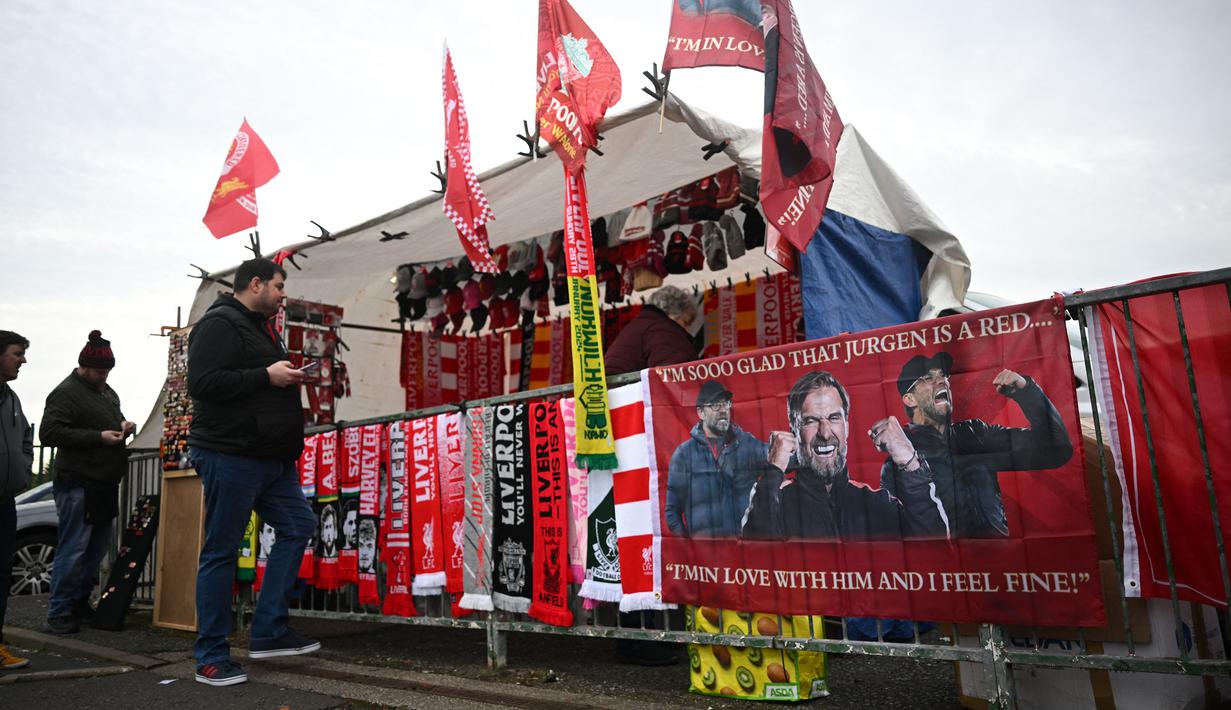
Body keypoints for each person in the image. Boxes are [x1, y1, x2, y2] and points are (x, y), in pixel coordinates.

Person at [187, 258, 318, 687]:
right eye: (278, 286)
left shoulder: (262, 328)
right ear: (256, 284)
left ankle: (268, 631)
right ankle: (210, 656)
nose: (283, 294)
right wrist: (266, 375)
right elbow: (203, 384)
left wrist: (281, 376)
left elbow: (254, 381)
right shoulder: (219, 324)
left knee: (299, 525)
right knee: (222, 551)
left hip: (269, 458)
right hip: (231, 454)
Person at [880, 353, 1074, 538]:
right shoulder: (900, 459)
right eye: (927, 378)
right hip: (945, 569)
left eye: (944, 375)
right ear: (910, 399)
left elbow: (1055, 449)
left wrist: (1027, 392)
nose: (942, 381)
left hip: (999, 564)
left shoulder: (975, 433)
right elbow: (899, 534)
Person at [742, 371, 948, 540]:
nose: (824, 433)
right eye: (811, 421)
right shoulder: (773, 503)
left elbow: (935, 553)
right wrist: (772, 472)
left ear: (847, 428)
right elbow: (755, 559)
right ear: (794, 431)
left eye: (834, 418)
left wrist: (910, 462)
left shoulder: (876, 504)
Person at [39, 331, 135, 634]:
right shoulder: (65, 393)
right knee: (74, 548)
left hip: (103, 483)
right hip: (78, 481)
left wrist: (122, 427)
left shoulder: (107, 391)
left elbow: (110, 420)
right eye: (98, 371)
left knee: (94, 551)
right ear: (83, 366)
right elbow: (49, 433)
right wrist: (98, 437)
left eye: (107, 371)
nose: (103, 375)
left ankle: (79, 603)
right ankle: (59, 611)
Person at [664, 381, 765, 537]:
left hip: (746, 553)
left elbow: (779, 458)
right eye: (715, 405)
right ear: (701, 413)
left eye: (725, 403)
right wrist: (689, 550)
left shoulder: (748, 443)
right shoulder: (684, 454)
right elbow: (672, 511)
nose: (723, 410)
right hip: (705, 556)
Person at [0, 331, 32, 669]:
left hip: (5, 501)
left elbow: (26, 438)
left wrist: (22, 468)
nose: (22, 360)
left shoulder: (11, 399)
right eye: (17, 353)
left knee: (2, 575)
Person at [603, 285, 698, 375]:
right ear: (672, 314)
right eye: (685, 322)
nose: (686, 329)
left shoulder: (642, 323)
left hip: (616, 388)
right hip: (630, 389)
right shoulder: (663, 329)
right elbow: (673, 376)